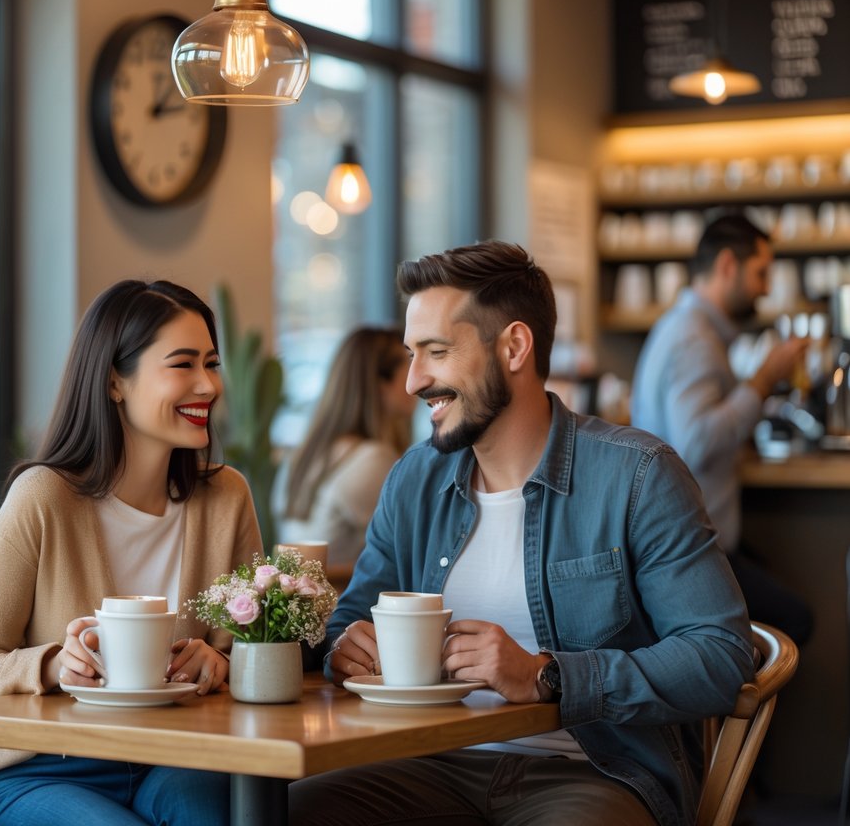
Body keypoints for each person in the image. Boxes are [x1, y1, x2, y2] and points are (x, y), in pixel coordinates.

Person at [289, 241, 754, 826]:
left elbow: (719, 655)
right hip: (426, 764)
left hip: (592, 773)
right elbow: (349, 619)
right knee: (289, 811)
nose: (412, 381)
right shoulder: (413, 479)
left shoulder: (637, 476)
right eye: (411, 355)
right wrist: (344, 648)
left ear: (513, 347)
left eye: (435, 352)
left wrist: (546, 675)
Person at [0, 280, 262, 826]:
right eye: (182, 364)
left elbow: (260, 646)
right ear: (116, 381)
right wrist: (49, 664)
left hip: (176, 756)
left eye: (211, 364)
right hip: (43, 768)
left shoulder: (226, 496)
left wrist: (223, 662)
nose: (207, 385)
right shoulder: (44, 495)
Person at [631, 213, 813, 646]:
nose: (766, 288)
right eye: (761, 274)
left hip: (691, 542)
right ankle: (738, 708)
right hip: (690, 555)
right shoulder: (693, 338)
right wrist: (765, 380)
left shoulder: (686, 328)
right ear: (728, 265)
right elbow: (694, 442)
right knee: (798, 620)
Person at [273, 327, 417, 566]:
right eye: (410, 364)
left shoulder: (302, 455)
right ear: (381, 382)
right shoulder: (373, 459)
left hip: (301, 599)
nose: (418, 378)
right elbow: (413, 546)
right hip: (340, 596)